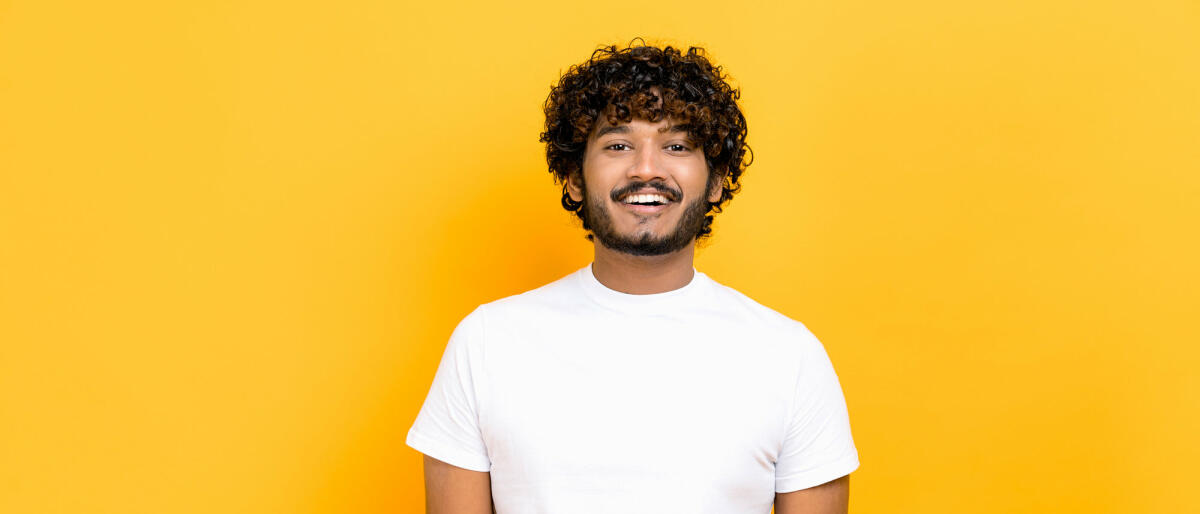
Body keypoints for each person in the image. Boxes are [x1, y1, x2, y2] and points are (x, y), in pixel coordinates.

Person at [406, 41, 859, 514]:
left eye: (677, 146)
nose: (646, 169)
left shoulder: (790, 356)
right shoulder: (485, 342)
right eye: (618, 145)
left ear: (717, 178)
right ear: (574, 179)